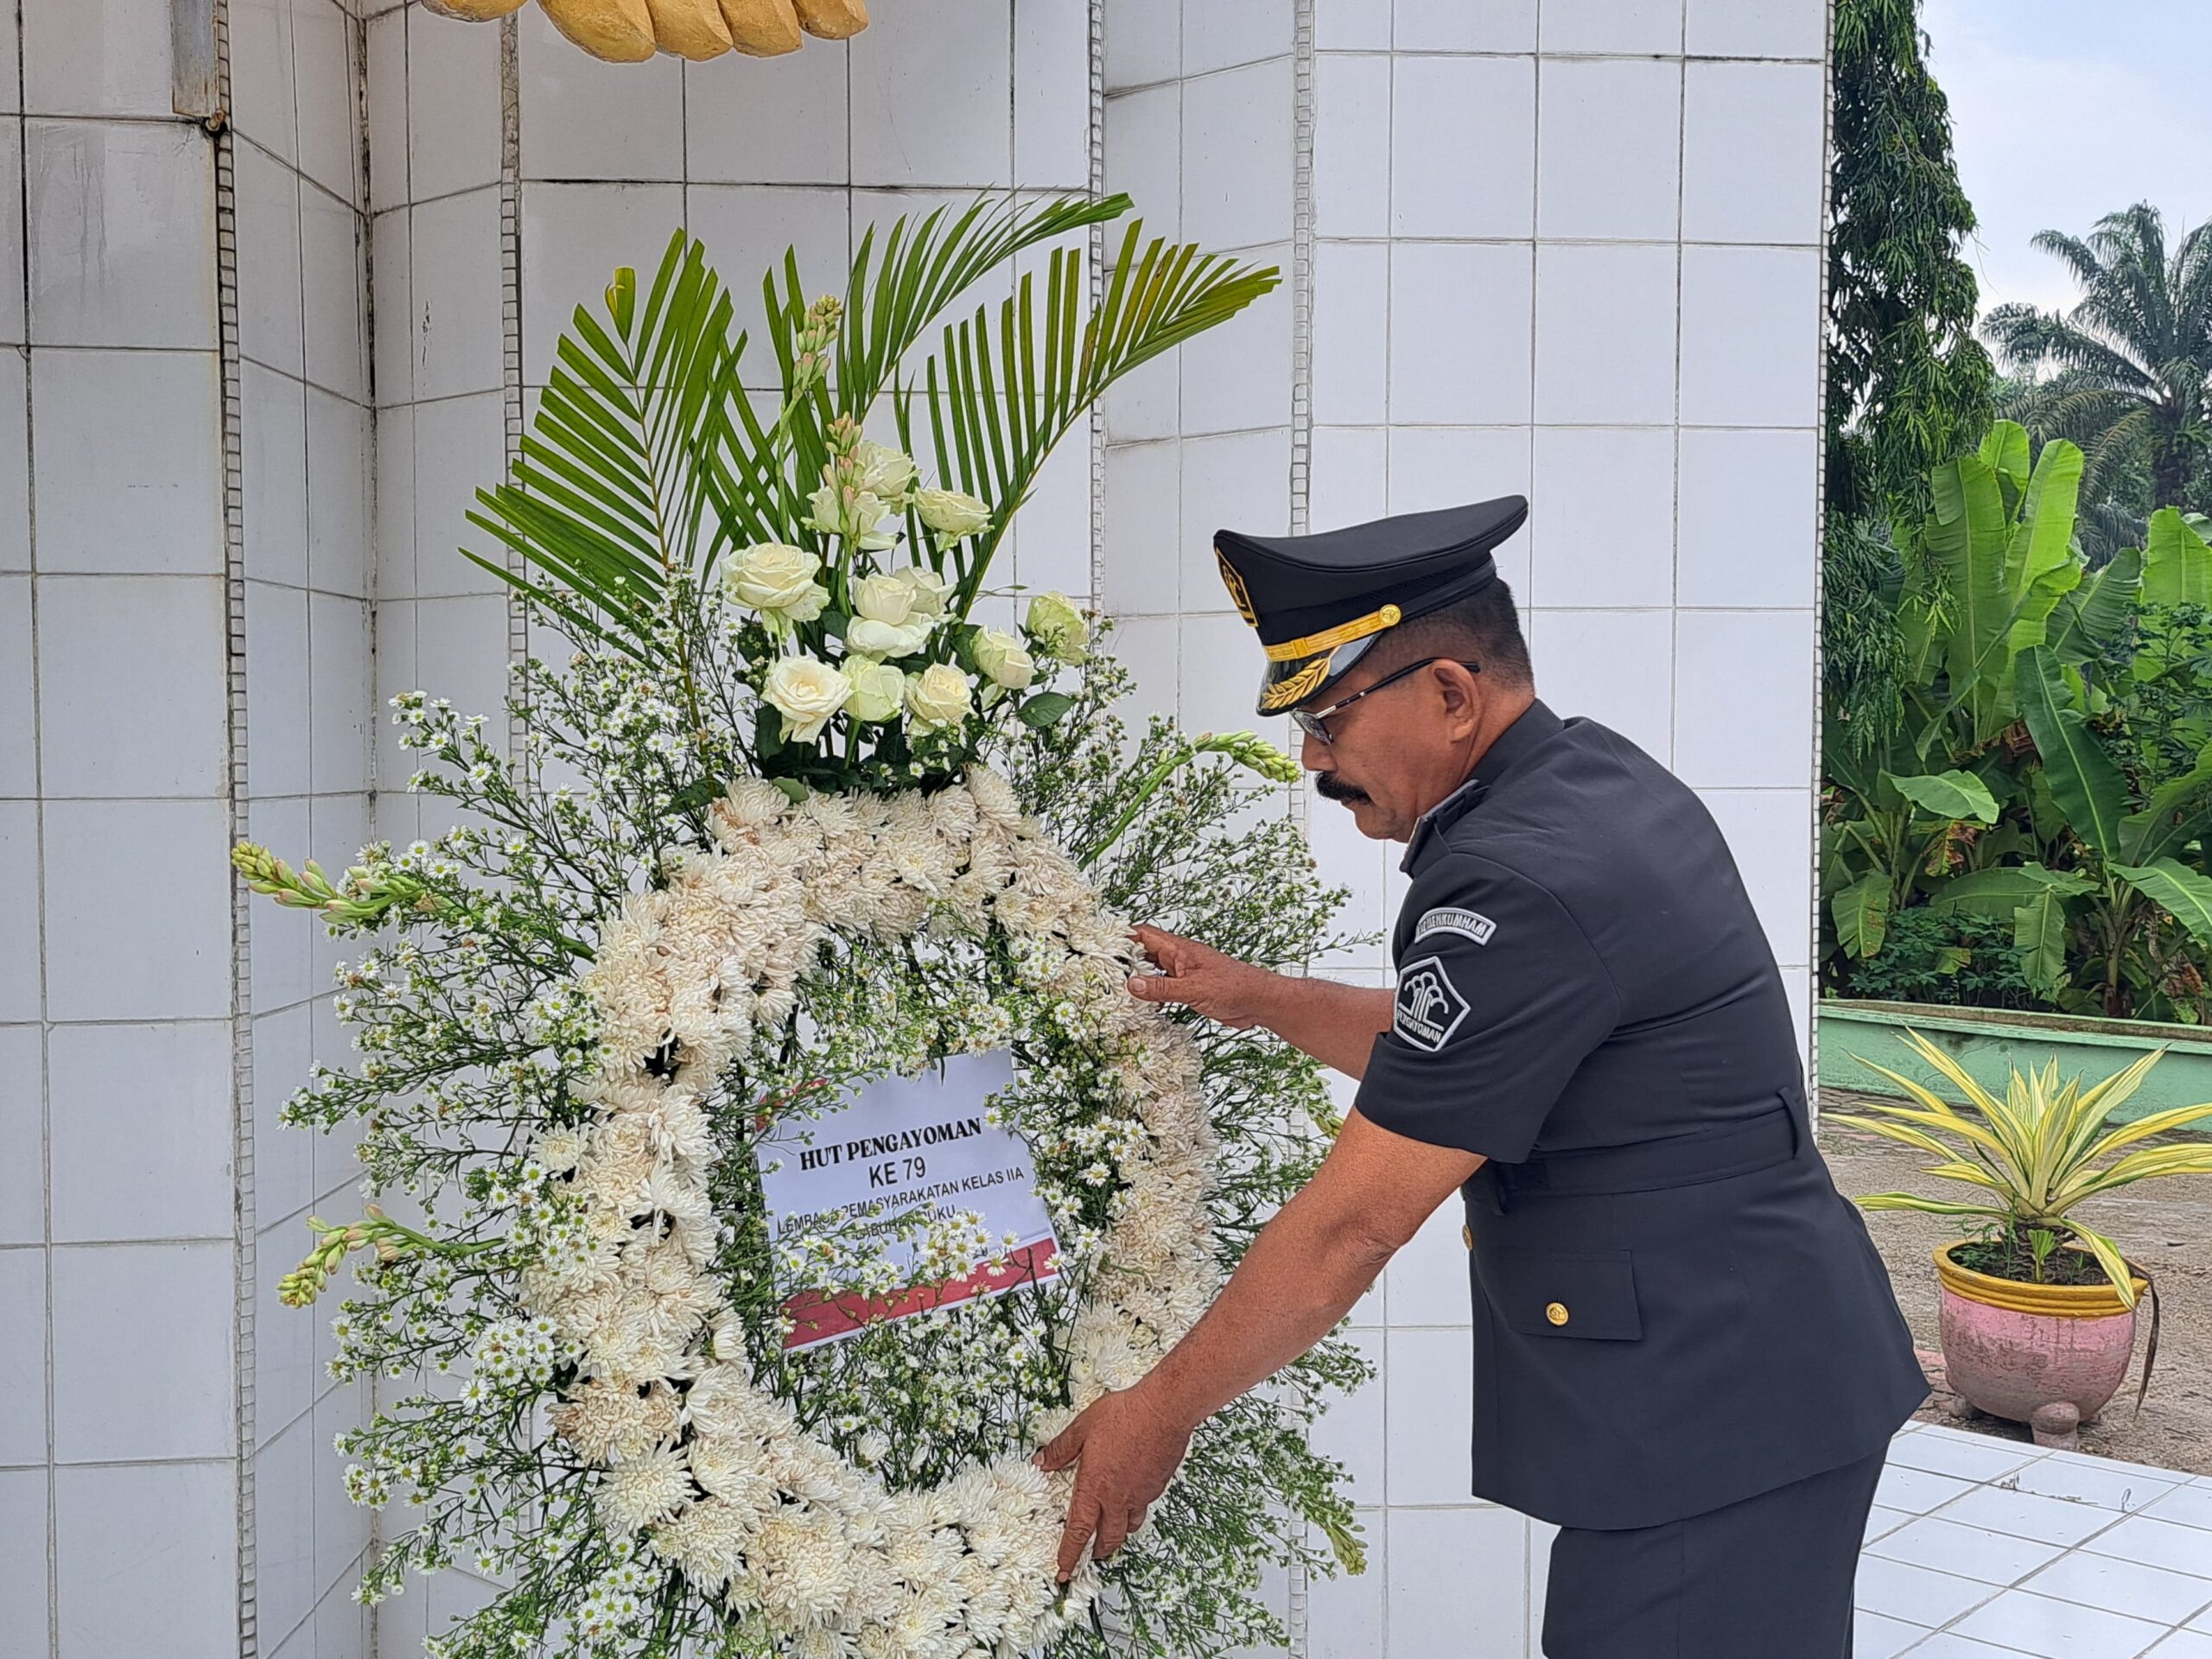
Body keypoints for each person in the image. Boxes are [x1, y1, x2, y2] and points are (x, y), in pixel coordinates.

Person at [1036, 498, 1927, 1656]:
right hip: (1756, 1377)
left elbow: (1353, 1225)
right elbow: (1476, 1057)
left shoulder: (1520, 881)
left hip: (1714, 1421)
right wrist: (1250, 994)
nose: (1313, 756)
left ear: (1452, 695)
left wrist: (1155, 1414)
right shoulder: (1585, 779)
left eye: (1328, 715)